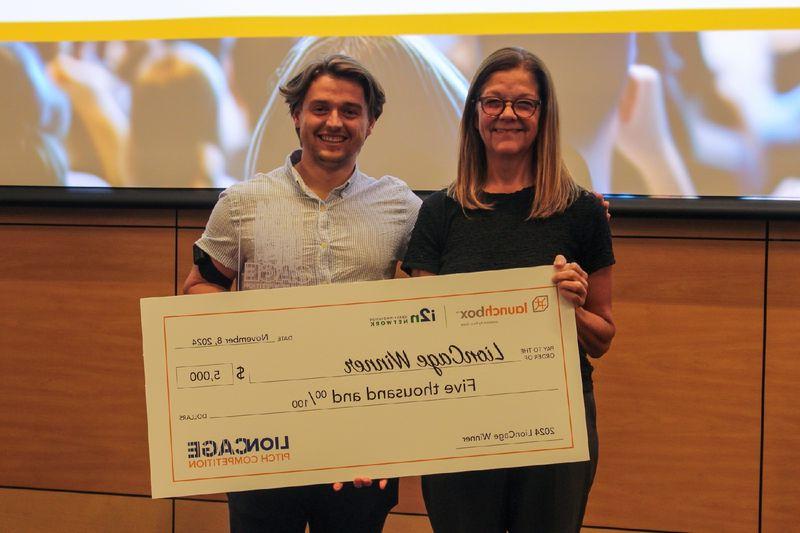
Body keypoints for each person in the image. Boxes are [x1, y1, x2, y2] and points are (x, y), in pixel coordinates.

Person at [183, 54, 420, 532]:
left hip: (362, 446)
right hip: (263, 438)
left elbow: (429, 305)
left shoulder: (403, 207)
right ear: (296, 116)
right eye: (320, 109)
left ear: (370, 123)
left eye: (351, 111)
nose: (334, 122)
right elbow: (200, 287)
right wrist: (261, 328)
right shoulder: (242, 202)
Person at [402, 47, 616, 532]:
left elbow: (603, 336)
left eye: (524, 104)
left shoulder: (581, 211)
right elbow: (421, 331)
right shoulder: (439, 213)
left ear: (544, 117)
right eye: (493, 102)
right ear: (475, 112)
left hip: (555, 422)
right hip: (459, 416)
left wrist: (572, 308)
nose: (508, 115)